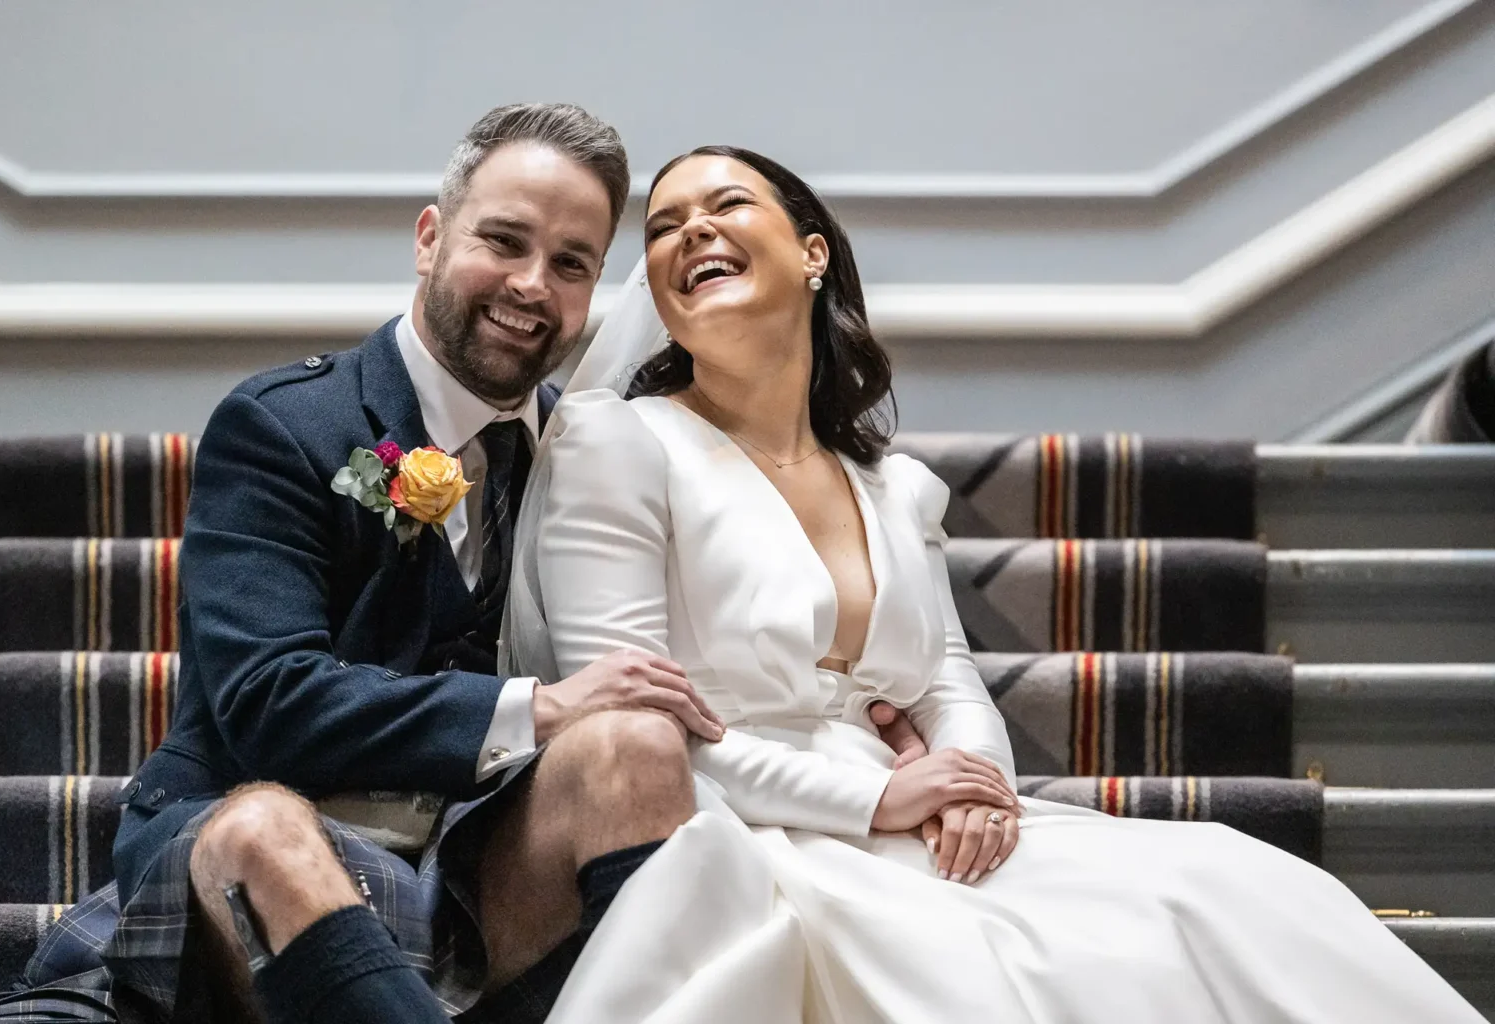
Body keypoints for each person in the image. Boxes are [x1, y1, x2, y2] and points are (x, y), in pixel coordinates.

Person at [496, 146, 1485, 1021]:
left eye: (725, 203)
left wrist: (978, 792)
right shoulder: (619, 441)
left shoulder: (893, 488)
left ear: (812, 252)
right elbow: (629, 714)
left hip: (914, 811)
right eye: (664, 225)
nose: (689, 230)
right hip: (739, 822)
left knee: (1239, 889)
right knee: (975, 972)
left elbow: (949, 679)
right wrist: (879, 798)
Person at [0, 104, 741, 1024]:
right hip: (261, 850)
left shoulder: (594, 452)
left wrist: (871, 698)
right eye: (505, 240)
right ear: (429, 238)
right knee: (264, 832)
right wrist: (538, 708)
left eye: (571, 264)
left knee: (638, 747)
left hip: (477, 861)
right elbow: (267, 700)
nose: (533, 285)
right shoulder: (282, 425)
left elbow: (692, 655)